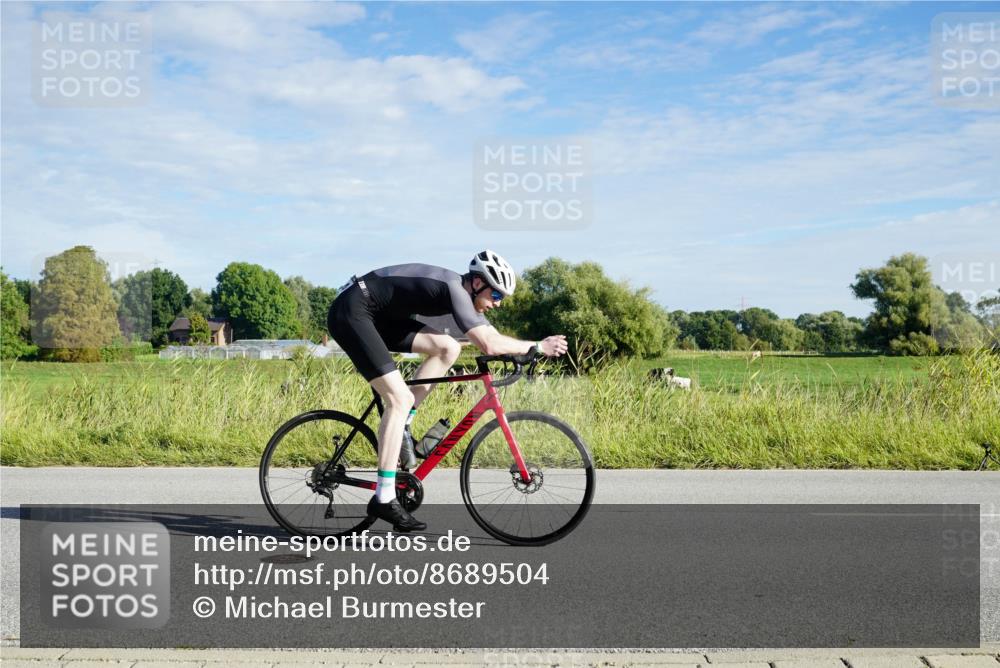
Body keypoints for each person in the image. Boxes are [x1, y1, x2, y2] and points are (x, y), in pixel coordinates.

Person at [327, 250, 568, 531]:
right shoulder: (454, 289)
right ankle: (384, 497)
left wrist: (519, 352)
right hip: (352, 312)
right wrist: (537, 346)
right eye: (497, 295)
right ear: (478, 283)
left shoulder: (462, 296)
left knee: (448, 347)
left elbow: (492, 337)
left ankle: (403, 422)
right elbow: (488, 344)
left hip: (380, 316)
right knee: (399, 399)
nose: (498, 304)